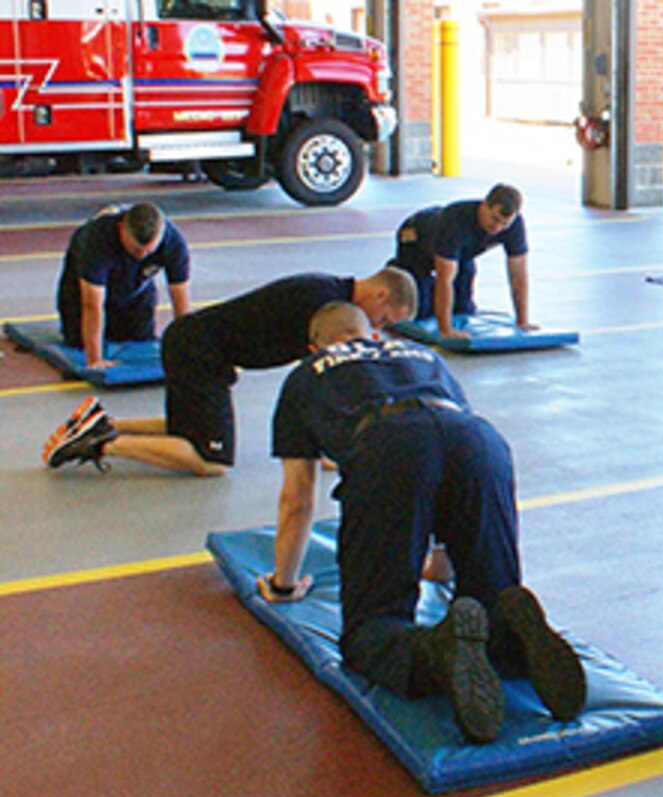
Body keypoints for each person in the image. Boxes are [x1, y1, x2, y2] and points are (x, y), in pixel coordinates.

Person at [258, 302, 586, 743]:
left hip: (388, 447)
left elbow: (298, 497)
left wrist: (283, 584)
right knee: (493, 599)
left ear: (313, 347)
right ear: (374, 333)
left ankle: (438, 650)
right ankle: (509, 632)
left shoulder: (307, 373)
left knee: (370, 632)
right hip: (479, 441)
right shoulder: (418, 353)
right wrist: (441, 562)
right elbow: (443, 448)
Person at [42, 268, 418, 475]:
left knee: (187, 433)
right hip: (199, 350)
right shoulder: (324, 306)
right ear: (380, 295)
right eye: (383, 319)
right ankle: (101, 443)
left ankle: (104, 423)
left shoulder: (329, 295)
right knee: (212, 462)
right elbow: (319, 385)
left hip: (200, 347)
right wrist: (322, 448)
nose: (376, 330)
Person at [388, 183, 536, 343]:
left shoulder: (514, 226)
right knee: (421, 309)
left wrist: (522, 321)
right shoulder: (455, 219)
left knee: (463, 310)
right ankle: (397, 270)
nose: (497, 227)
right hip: (416, 240)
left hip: (461, 251)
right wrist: (446, 330)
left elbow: (518, 275)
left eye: (504, 224)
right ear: (484, 205)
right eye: (494, 219)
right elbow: (444, 279)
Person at [56, 202, 191, 371]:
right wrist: (94, 360)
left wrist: (187, 354)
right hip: (82, 287)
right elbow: (91, 305)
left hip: (134, 290)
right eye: (136, 250)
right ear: (121, 229)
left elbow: (181, 304)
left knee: (138, 341)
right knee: (77, 343)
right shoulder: (95, 239)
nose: (141, 256)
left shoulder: (173, 242)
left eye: (148, 252)